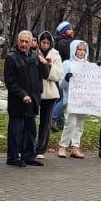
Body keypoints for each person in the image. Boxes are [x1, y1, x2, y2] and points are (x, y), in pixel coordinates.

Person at [3, 30, 43, 166]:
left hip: (32, 100)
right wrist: (22, 94)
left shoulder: (34, 56)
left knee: (31, 129)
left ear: (32, 42)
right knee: (15, 130)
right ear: (17, 41)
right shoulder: (11, 57)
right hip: (17, 101)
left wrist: (44, 63)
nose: (24, 44)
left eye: (27, 41)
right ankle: (13, 157)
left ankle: (29, 155)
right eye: (22, 41)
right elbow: (10, 81)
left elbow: (43, 75)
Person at [58, 39, 93, 158]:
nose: (82, 52)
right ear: (74, 50)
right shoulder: (67, 64)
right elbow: (61, 85)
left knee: (80, 124)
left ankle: (75, 147)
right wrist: (66, 79)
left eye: (84, 50)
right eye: (79, 49)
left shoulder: (89, 65)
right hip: (72, 99)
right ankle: (62, 146)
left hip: (84, 100)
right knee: (71, 123)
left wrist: (99, 70)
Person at [34, 29, 64, 157]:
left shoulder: (56, 55)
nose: (45, 45)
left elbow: (59, 75)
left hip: (50, 92)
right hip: (35, 90)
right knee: (31, 120)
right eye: (43, 42)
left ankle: (41, 148)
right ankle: (28, 145)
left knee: (46, 122)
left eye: (47, 43)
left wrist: (49, 66)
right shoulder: (34, 53)